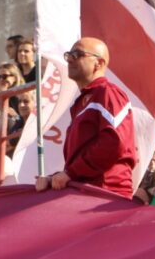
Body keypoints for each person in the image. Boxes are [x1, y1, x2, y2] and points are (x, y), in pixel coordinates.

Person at [36, 38, 136, 196]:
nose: (69, 59)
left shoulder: (108, 92)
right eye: (69, 54)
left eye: (77, 54)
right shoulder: (83, 101)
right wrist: (55, 178)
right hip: (85, 192)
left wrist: (70, 174)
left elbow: (113, 142)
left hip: (105, 195)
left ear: (99, 63)